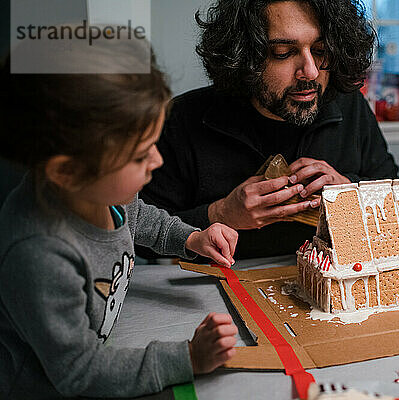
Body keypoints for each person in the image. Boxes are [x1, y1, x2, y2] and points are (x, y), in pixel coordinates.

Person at [0, 37, 239, 398]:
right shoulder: (39, 254)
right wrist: (188, 357)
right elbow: (80, 372)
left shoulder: (97, 190)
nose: (157, 162)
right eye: (141, 155)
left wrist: (190, 239)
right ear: (66, 171)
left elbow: (135, 216)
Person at [140, 0, 399, 259]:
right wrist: (220, 214)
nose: (309, 71)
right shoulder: (184, 118)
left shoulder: (350, 104)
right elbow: (136, 234)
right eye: (283, 53)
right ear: (245, 56)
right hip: (213, 285)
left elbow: (396, 202)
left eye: (321, 50)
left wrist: (349, 191)